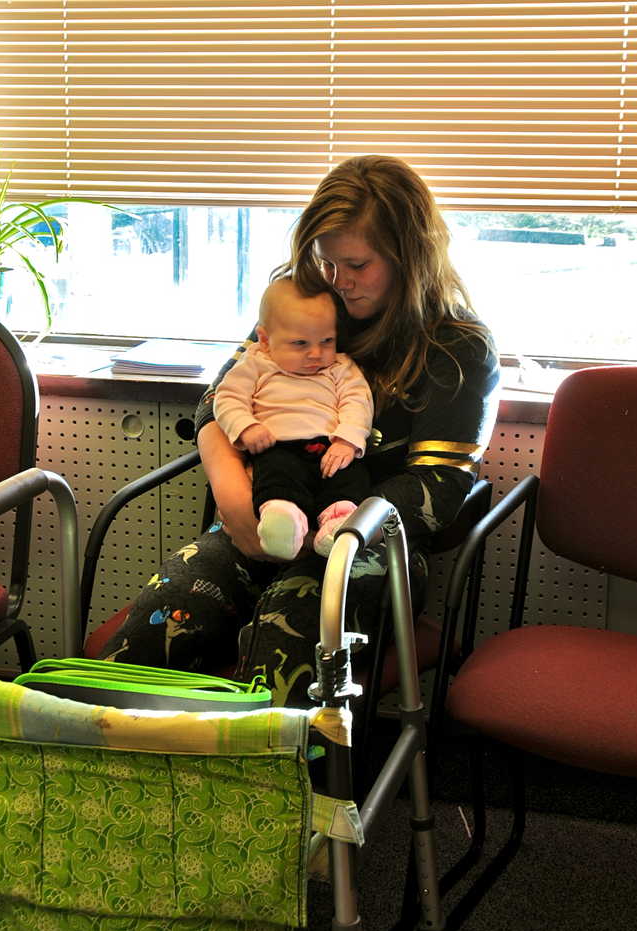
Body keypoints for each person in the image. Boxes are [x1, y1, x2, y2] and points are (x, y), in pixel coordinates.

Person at [101, 155, 500, 707]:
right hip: (264, 518)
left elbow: (438, 490)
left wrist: (336, 530)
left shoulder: (456, 348)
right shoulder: (308, 303)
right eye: (327, 261)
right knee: (145, 642)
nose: (340, 282)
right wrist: (237, 504)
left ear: (410, 256)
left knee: (279, 654)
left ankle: (275, 792)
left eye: (358, 264)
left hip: (362, 544)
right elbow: (219, 404)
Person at [213, 277, 373, 560]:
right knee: (276, 475)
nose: (316, 353)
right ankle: (283, 518)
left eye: (327, 341)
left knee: (350, 477)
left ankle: (337, 523)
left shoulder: (340, 366)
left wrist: (347, 440)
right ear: (265, 340)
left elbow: (358, 401)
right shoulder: (257, 361)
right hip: (278, 445)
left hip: (330, 447)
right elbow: (227, 398)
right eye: (300, 343)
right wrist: (246, 426)